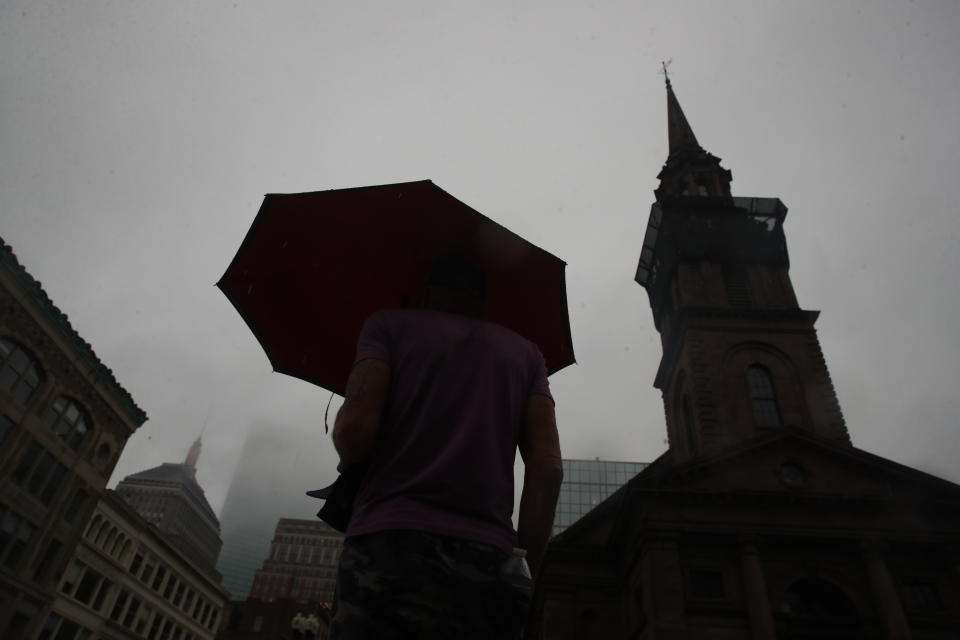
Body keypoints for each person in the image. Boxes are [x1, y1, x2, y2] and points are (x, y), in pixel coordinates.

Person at [328, 257, 563, 640]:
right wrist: (525, 567)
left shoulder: (386, 326)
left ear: (428, 290)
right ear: (478, 299)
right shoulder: (527, 355)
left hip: (388, 542)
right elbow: (547, 467)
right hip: (488, 558)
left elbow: (355, 431)